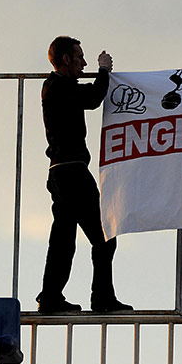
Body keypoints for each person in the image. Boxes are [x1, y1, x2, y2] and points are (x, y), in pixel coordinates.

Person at [36, 35, 133, 314]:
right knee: (104, 235)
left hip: (60, 173)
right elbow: (92, 98)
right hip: (72, 173)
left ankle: (51, 297)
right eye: (80, 57)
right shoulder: (58, 87)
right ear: (66, 59)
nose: (84, 63)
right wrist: (104, 70)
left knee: (63, 240)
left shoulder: (54, 87)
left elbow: (86, 96)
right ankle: (101, 298)